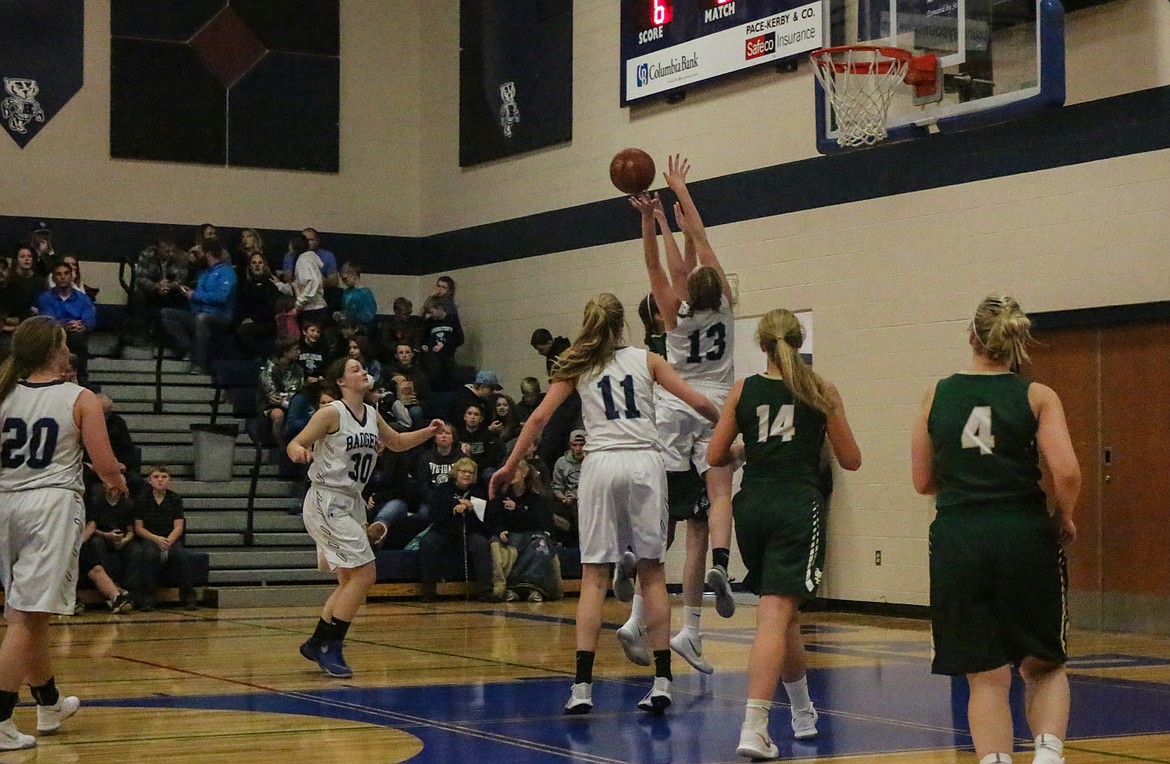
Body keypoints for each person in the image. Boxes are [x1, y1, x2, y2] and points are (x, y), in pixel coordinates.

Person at [489, 293, 720, 716]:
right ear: (622, 325)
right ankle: (663, 681)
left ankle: (581, 687)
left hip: (601, 464)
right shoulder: (648, 359)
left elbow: (538, 419)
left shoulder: (578, 364)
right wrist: (730, 428)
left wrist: (508, 464)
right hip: (644, 463)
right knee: (652, 572)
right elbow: (699, 401)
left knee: (594, 575)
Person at [911, 294, 1080, 764]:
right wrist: (1063, 514)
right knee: (1043, 663)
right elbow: (1065, 472)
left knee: (984, 675)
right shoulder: (1037, 395)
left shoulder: (935, 394)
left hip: (959, 537)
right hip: (1023, 533)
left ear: (971, 336)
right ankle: (1048, 755)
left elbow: (923, 480)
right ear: (1017, 344)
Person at [706, 308, 861, 759]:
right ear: (800, 342)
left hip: (752, 508)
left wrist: (748, 446)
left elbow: (717, 455)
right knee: (775, 614)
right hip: (797, 506)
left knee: (783, 610)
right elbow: (850, 459)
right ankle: (754, 726)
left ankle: (802, 712)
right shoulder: (819, 389)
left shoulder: (744, 389)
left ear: (761, 346)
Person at [621, 155, 738, 680]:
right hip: (714, 409)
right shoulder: (727, 305)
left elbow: (660, 268)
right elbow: (699, 243)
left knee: (662, 514)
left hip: (674, 407)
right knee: (714, 500)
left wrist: (650, 220)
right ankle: (720, 561)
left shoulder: (671, 314)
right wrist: (680, 197)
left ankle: (638, 603)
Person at [0, 316, 129, 750]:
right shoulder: (81, 397)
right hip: (50, 507)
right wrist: (117, 482)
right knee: (25, 617)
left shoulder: (4, 393)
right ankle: (0, 720)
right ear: (56, 351)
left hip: (6, 505)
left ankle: (48, 703)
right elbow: (107, 465)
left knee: (30, 611)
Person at [288, 356, 442, 678]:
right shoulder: (331, 413)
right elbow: (295, 442)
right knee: (366, 574)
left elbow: (397, 443)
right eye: (354, 369)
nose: (363, 372)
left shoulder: (371, 414)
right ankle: (332, 646)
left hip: (351, 501)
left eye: (362, 367)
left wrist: (428, 432)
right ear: (342, 382)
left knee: (348, 581)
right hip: (327, 499)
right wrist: (299, 452)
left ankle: (317, 641)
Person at [159, 239, 237, 376]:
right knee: (166, 313)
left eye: (200, 253)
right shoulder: (203, 273)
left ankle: (199, 365)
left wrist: (195, 295)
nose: (197, 256)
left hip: (220, 318)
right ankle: (187, 348)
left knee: (202, 319)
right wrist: (186, 292)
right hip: (198, 314)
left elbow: (221, 297)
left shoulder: (227, 272)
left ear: (208, 254)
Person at [128, 465, 200, 611]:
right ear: (149, 480)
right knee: (149, 554)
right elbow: (139, 528)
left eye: (164, 477)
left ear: (169, 480)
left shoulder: (175, 499)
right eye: (156, 477)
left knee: (180, 555)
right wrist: (157, 539)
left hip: (170, 538)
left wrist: (168, 541)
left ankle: (189, 597)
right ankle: (148, 598)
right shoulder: (142, 500)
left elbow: (179, 526)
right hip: (150, 538)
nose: (160, 480)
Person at [34, 259, 96, 386]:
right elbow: (48, 319)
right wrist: (65, 326)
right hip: (54, 336)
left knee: (78, 338)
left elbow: (90, 318)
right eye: (59, 274)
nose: (62, 277)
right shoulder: (45, 298)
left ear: (71, 276)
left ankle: (81, 378)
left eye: (66, 273)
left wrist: (83, 326)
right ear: (53, 277)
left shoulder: (83, 298)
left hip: (78, 334)